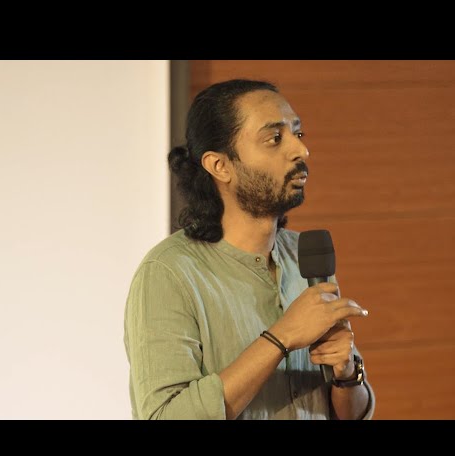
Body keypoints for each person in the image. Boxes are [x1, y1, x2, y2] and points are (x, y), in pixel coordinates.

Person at [124, 78, 375, 419]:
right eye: (274, 138)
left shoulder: (304, 254)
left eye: (297, 133)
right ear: (220, 166)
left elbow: (354, 413)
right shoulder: (169, 273)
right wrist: (281, 337)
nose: (301, 150)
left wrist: (346, 374)